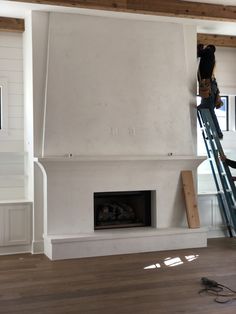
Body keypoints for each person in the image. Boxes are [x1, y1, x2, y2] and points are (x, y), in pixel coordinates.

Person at [197, 44, 223, 139]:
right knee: (208, 110)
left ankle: (218, 134)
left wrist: (200, 46)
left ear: (209, 48)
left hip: (209, 86)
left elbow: (198, 53)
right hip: (211, 86)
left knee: (209, 110)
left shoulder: (208, 52)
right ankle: (216, 133)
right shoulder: (211, 56)